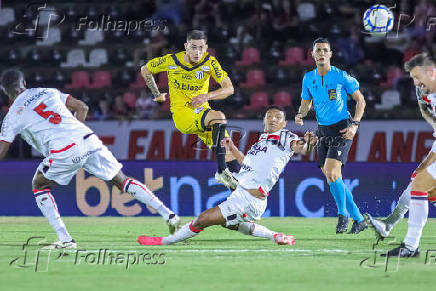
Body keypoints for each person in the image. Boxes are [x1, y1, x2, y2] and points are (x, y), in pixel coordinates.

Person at [0, 69, 180, 249]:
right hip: (87, 139)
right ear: (24, 83)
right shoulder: (48, 91)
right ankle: (169, 214)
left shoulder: (12, 116)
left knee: (39, 185)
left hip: (64, 150)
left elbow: (2, 151)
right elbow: (82, 107)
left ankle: (66, 240)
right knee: (122, 181)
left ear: (4, 90)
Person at [137, 106, 318, 246]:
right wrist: (233, 149)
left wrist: (308, 145)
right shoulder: (261, 141)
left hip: (249, 199)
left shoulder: (285, 136)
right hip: (242, 193)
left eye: (278, 117)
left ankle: (165, 241)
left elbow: (300, 147)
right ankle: (276, 236)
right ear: (264, 119)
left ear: (284, 123)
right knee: (230, 223)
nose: (272, 119)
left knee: (202, 220)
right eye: (269, 116)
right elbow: (247, 164)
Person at [141, 30, 238, 190]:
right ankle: (221, 172)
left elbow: (229, 89)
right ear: (186, 46)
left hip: (202, 113)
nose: (197, 52)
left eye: (201, 48)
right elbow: (145, 69)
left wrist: (206, 96)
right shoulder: (171, 60)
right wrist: (157, 94)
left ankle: (238, 204)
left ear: (206, 48)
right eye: (193, 47)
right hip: (182, 115)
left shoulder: (210, 62)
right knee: (219, 117)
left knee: (228, 149)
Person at [366, 53, 436, 257]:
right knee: (422, 186)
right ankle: (402, 238)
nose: (415, 82)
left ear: (431, 72)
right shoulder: (425, 92)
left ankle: (409, 246)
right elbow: (427, 113)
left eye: (417, 77)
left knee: (421, 183)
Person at [295, 37, 367, 234]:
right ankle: (359, 219)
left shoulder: (342, 76)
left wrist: (355, 125)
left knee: (332, 172)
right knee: (332, 177)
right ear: (312, 54)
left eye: (325, 50)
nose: (321, 53)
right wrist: (301, 113)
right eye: (318, 50)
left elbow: (360, 100)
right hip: (323, 130)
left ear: (330, 54)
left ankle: (343, 214)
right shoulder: (308, 78)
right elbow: (306, 103)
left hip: (343, 128)